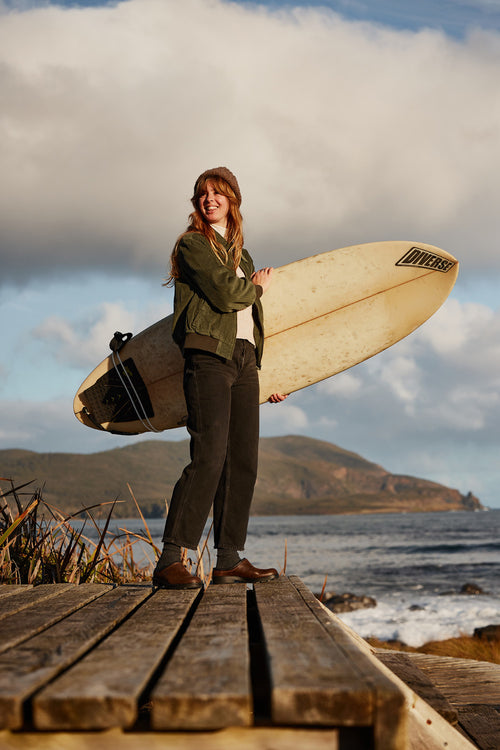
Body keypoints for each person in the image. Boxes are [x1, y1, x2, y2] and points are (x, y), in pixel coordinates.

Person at [152, 167, 286, 589]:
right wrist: (259, 287)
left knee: (243, 461)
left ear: (233, 200)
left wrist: (277, 375)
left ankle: (228, 559)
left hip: (245, 359)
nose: (209, 198)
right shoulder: (193, 245)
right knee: (208, 456)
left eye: (218, 193)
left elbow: (251, 321)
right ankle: (171, 558)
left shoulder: (241, 255)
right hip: (209, 354)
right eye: (203, 193)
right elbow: (230, 295)